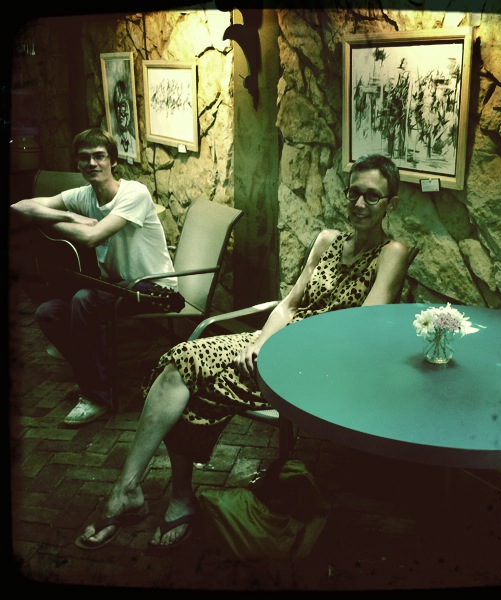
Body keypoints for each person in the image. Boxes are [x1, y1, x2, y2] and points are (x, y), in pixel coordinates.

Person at [74, 153, 410, 551]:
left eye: (372, 196)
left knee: (188, 387)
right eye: (354, 192)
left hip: (322, 364)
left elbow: (361, 327)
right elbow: (288, 305)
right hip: (280, 343)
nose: (359, 203)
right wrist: (259, 342)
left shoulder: (392, 252)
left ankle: (167, 497)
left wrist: (286, 349)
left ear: (391, 203)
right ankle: (128, 488)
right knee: (179, 362)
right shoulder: (327, 241)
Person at [10, 128, 177, 426]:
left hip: (151, 287)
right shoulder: (83, 195)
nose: (92, 163)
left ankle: (96, 396)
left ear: (113, 160)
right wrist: (69, 216)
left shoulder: (134, 193)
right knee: (48, 312)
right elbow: (19, 206)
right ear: (77, 163)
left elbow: (92, 236)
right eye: (84, 157)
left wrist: (49, 222)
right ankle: (96, 376)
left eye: (99, 156)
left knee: (84, 300)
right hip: (115, 287)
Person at [113, 80, 136, 158]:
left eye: (122, 105)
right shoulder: (114, 141)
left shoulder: (134, 143)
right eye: (117, 106)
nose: (119, 111)